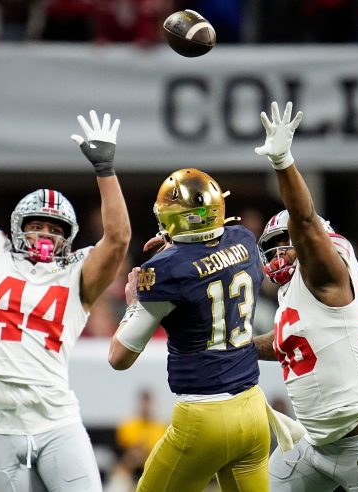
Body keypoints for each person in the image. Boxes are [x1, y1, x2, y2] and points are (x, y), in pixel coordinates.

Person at [0, 75, 131, 492]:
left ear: (69, 235)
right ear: (18, 227)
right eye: (36, 225)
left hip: (56, 418)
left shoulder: (77, 276)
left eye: (53, 227)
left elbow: (118, 239)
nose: (43, 234)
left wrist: (106, 170)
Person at [252, 101, 358, 491]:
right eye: (269, 247)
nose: (276, 255)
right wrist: (230, 344)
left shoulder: (326, 272)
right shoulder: (294, 295)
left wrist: (283, 162)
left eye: (283, 244)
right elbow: (287, 341)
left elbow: (304, 220)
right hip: (311, 442)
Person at [108, 168, 272, 492]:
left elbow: (119, 357)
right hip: (253, 409)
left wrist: (134, 302)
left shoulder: (164, 271)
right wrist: (176, 248)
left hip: (203, 415)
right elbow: (210, 264)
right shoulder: (244, 239)